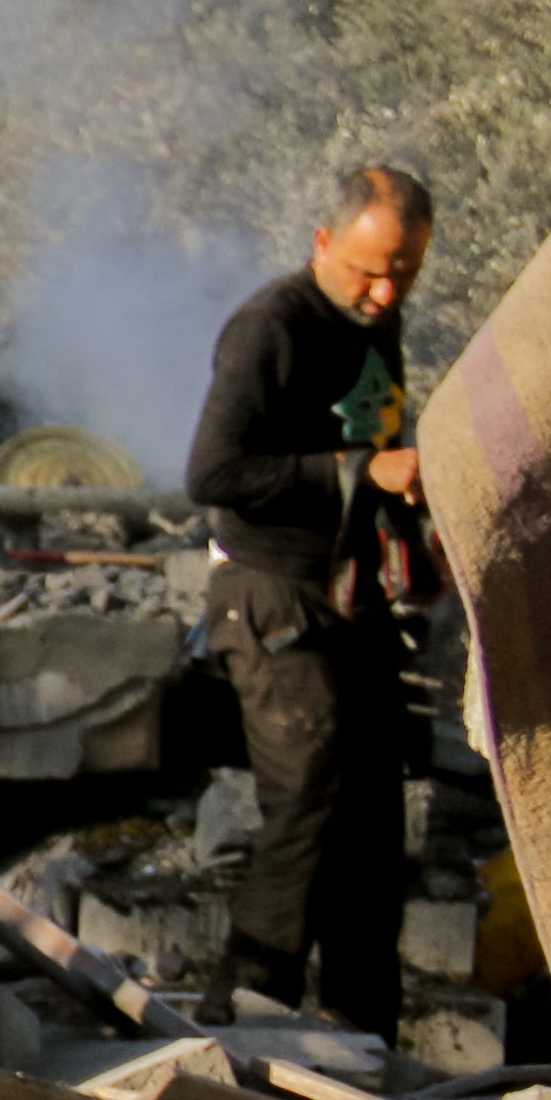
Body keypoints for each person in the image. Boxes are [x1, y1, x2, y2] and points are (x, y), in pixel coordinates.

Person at [187, 164, 439, 1026]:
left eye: (402, 272)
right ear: (322, 243)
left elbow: (380, 434)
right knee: (308, 803)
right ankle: (245, 1023)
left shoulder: (380, 321)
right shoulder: (271, 326)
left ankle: (367, 1044)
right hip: (269, 596)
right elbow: (213, 473)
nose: (381, 292)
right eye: (366, 270)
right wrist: (358, 472)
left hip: (351, 597)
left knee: (373, 824)